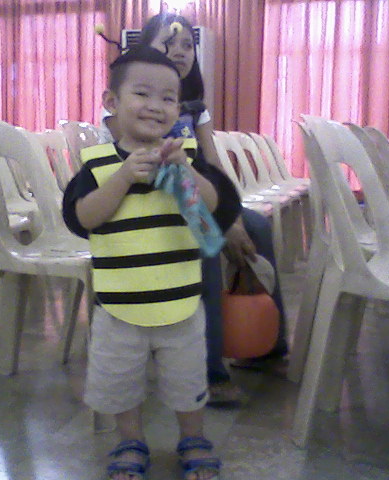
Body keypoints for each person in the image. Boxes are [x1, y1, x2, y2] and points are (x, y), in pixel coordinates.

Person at [63, 45, 238, 480]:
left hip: (181, 300)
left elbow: (210, 214)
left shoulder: (188, 159)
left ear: (178, 109)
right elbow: (84, 218)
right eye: (142, 93)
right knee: (120, 379)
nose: (156, 106)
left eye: (168, 98)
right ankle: (130, 439)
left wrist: (186, 173)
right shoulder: (98, 165)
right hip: (119, 304)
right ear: (111, 101)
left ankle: (193, 437)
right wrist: (123, 177)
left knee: (186, 378)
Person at [102, 13, 289, 400]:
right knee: (202, 240)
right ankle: (207, 369)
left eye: (187, 44)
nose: (179, 51)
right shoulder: (127, 107)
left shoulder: (195, 108)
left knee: (256, 226)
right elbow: (145, 166)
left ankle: (268, 347)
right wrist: (216, 221)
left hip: (194, 197)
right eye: (168, 43)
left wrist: (231, 216)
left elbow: (214, 167)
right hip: (145, 203)